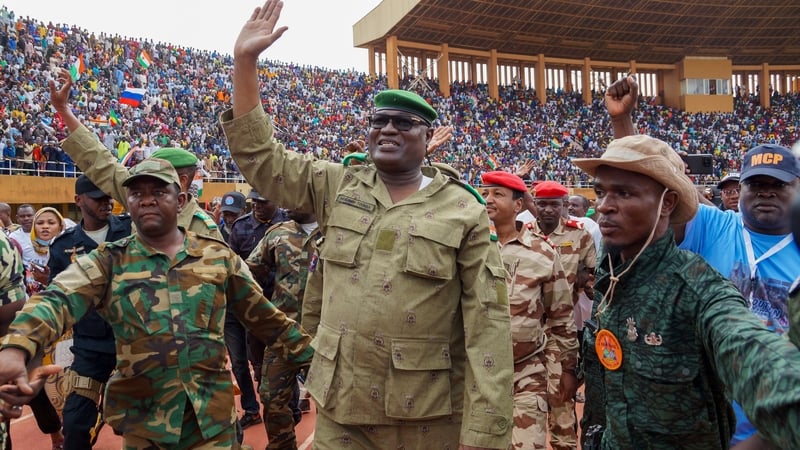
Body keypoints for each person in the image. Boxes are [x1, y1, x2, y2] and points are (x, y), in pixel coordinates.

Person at [221, 2, 514, 448]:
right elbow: (263, 161)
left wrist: (484, 436)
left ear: (426, 139)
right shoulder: (336, 185)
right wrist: (245, 64)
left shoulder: (464, 210)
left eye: (404, 123)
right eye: (379, 121)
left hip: (426, 420)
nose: (388, 129)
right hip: (342, 411)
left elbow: (487, 328)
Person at [0, 157, 313, 449]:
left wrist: (318, 362)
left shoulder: (217, 256)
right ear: (129, 203)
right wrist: (17, 348)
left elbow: (267, 320)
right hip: (145, 425)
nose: (146, 199)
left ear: (179, 201)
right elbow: (57, 299)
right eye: (137, 193)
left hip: (211, 423)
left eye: (158, 191)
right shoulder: (109, 261)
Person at [606, 75, 800, 447]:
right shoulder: (714, 225)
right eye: (755, 184)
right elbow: (650, 195)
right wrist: (622, 124)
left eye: (777, 185)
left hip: (779, 420)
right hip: (703, 419)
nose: (765, 193)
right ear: (739, 188)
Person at [48, 68, 222, 241]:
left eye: (157, 180)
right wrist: (63, 109)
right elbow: (100, 161)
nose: (145, 200)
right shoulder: (139, 197)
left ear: (182, 182)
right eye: (138, 191)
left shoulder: (203, 229)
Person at [479, 171, 578, 450]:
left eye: (498, 194)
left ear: (518, 206)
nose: (488, 199)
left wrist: (566, 369)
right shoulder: (470, 248)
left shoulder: (543, 253)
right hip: (475, 374)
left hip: (526, 372)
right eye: (486, 193)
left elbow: (560, 319)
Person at [48, 175, 132, 450]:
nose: (107, 202)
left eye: (109, 196)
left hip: (136, 342)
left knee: (147, 422)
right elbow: (59, 296)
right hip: (91, 347)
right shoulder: (62, 246)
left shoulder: (132, 231)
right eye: (98, 197)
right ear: (78, 201)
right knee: (74, 423)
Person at [524, 180, 594, 450]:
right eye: (542, 204)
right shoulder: (524, 234)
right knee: (525, 402)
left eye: (555, 204)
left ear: (565, 206)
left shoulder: (580, 236)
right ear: (535, 206)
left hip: (560, 330)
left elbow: (591, 276)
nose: (549, 210)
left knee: (562, 401)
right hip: (525, 328)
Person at [246, 209, 320, 450]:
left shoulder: (335, 231)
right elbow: (249, 273)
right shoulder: (277, 234)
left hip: (322, 337)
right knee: (272, 397)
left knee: (331, 401)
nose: (289, 202)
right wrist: (261, 313)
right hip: (282, 334)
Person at [228, 189, 288, 430]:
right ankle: (253, 409)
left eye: (263, 202)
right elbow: (233, 263)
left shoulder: (287, 223)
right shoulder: (241, 227)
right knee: (243, 363)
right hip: (242, 304)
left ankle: (288, 409)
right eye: (255, 203)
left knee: (279, 362)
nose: (258, 206)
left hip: (276, 305)